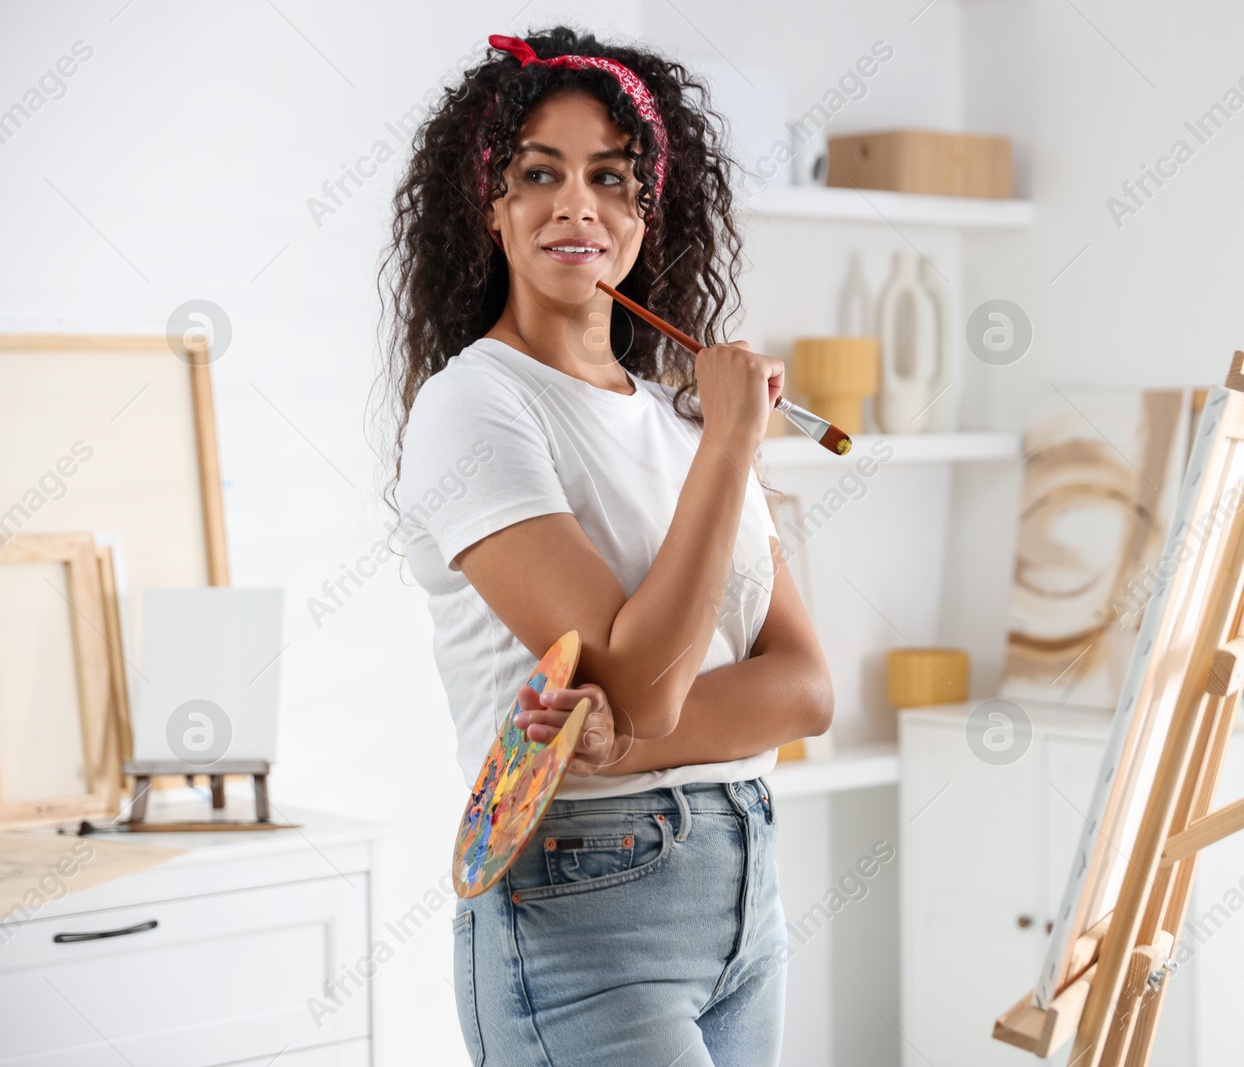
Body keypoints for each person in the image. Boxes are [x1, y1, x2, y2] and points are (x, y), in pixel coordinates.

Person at [379, 26, 834, 1067]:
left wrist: (622, 738)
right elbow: (641, 684)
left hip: (742, 882)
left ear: (647, 211)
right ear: (487, 209)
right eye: (538, 174)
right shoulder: (475, 408)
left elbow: (805, 687)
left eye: (611, 179)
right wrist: (731, 442)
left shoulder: (679, 419)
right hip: (582, 900)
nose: (576, 205)